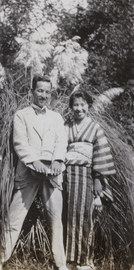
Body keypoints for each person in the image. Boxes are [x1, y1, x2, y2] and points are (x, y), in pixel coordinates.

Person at [0, 74, 69, 270]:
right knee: (14, 218)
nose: (43, 95)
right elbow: (20, 143)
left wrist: (58, 160)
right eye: (39, 91)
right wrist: (35, 162)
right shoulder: (21, 115)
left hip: (52, 174)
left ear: (51, 95)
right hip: (28, 173)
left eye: (47, 92)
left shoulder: (56, 118)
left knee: (55, 220)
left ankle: (61, 264)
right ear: (31, 92)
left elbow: (61, 142)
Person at [64, 89, 116, 270]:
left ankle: (85, 260)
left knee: (86, 216)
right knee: (69, 215)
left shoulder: (94, 127)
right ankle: (69, 259)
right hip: (68, 174)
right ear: (71, 107)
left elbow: (100, 154)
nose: (79, 109)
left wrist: (98, 181)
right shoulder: (66, 127)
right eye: (75, 105)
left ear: (88, 106)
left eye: (82, 105)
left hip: (87, 175)